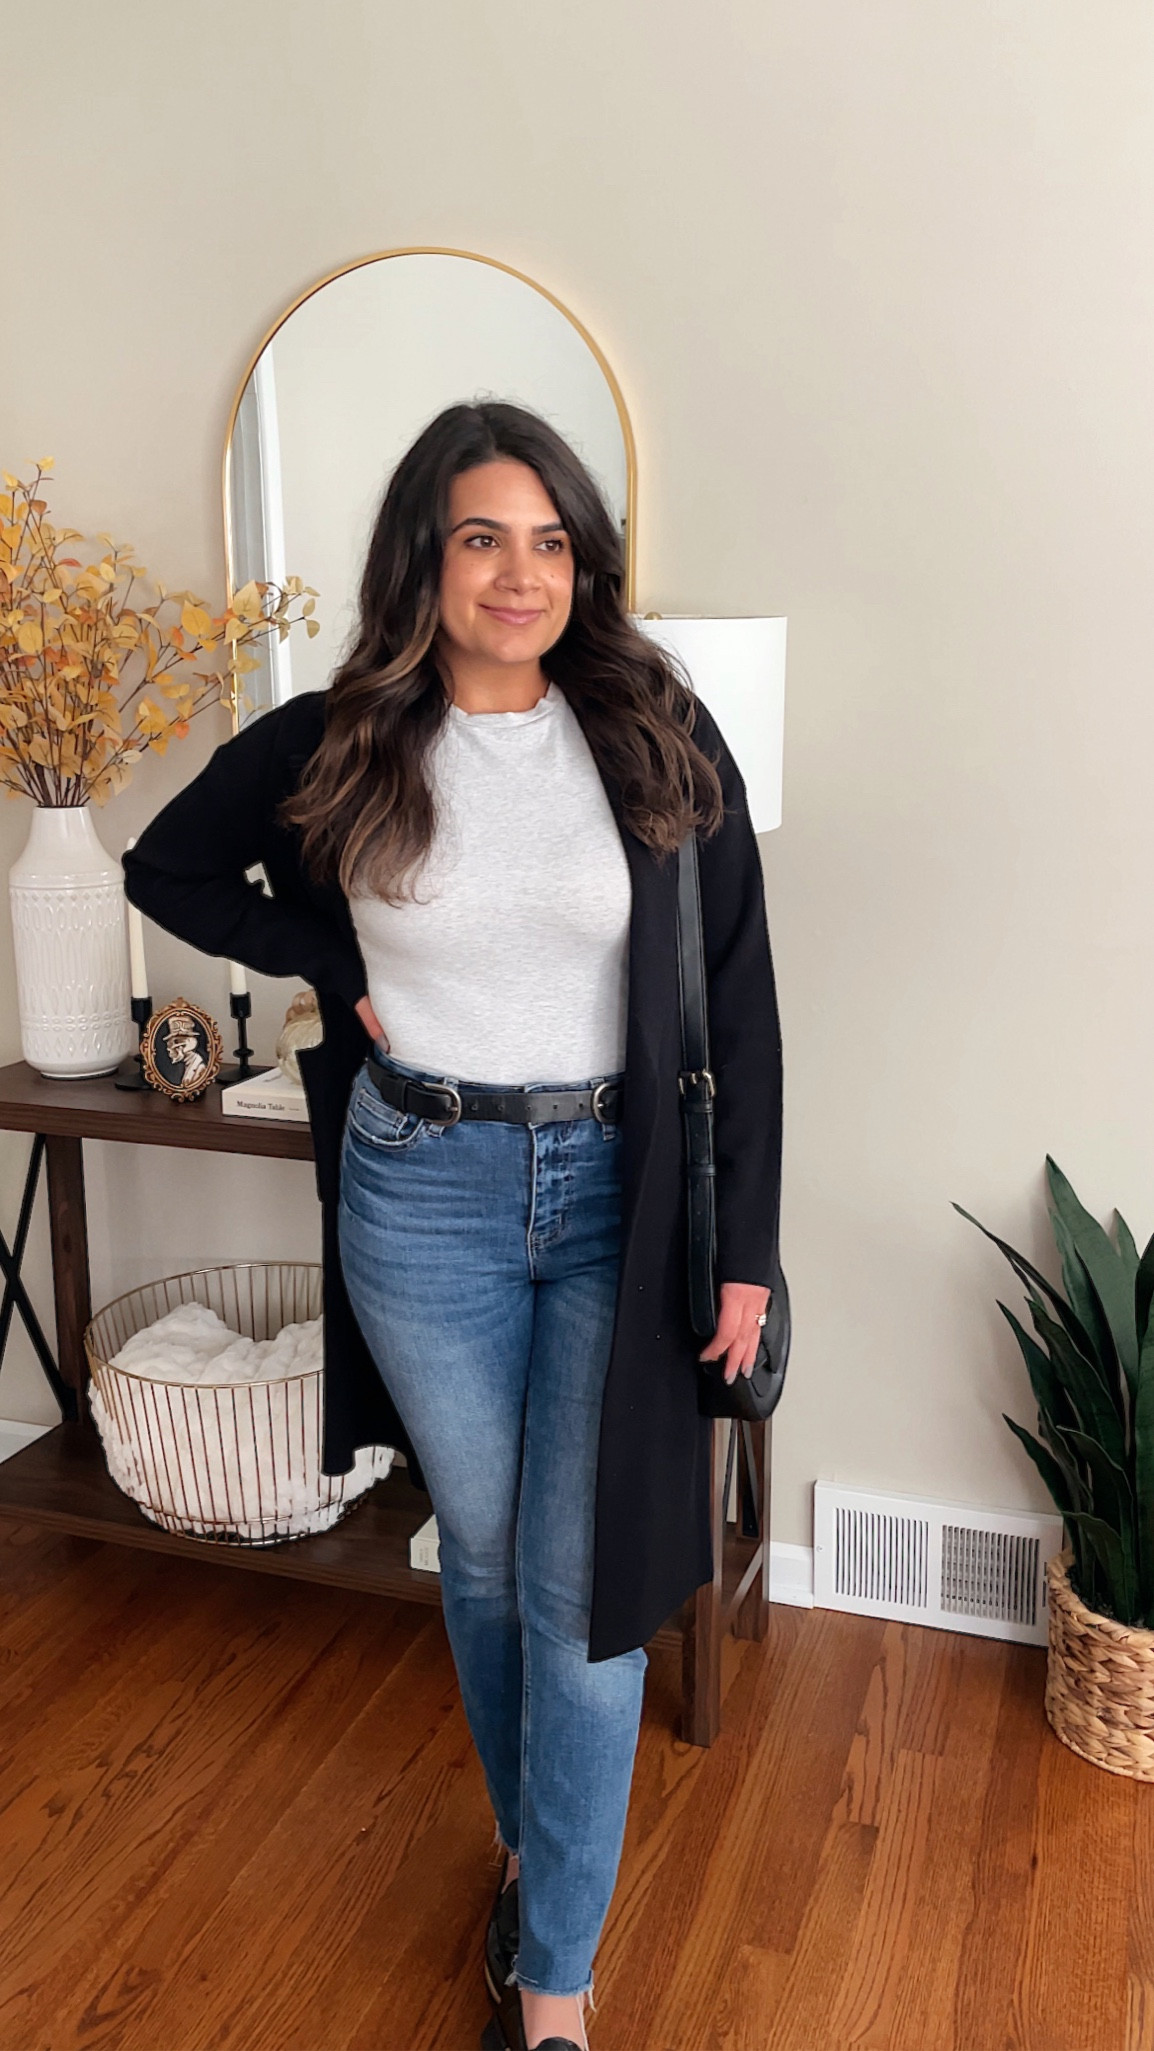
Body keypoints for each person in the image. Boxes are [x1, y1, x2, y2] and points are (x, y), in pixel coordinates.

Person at [123, 400, 783, 2051]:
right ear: (424, 555)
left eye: (549, 541)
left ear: (584, 564)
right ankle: (522, 1845)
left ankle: (552, 1976)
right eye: (482, 537)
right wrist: (336, 972)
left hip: (619, 1200)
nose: (519, 574)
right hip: (422, 1194)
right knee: (481, 1561)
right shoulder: (337, 740)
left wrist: (748, 1250)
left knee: (580, 1589)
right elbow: (167, 867)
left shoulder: (651, 730)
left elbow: (738, 1010)